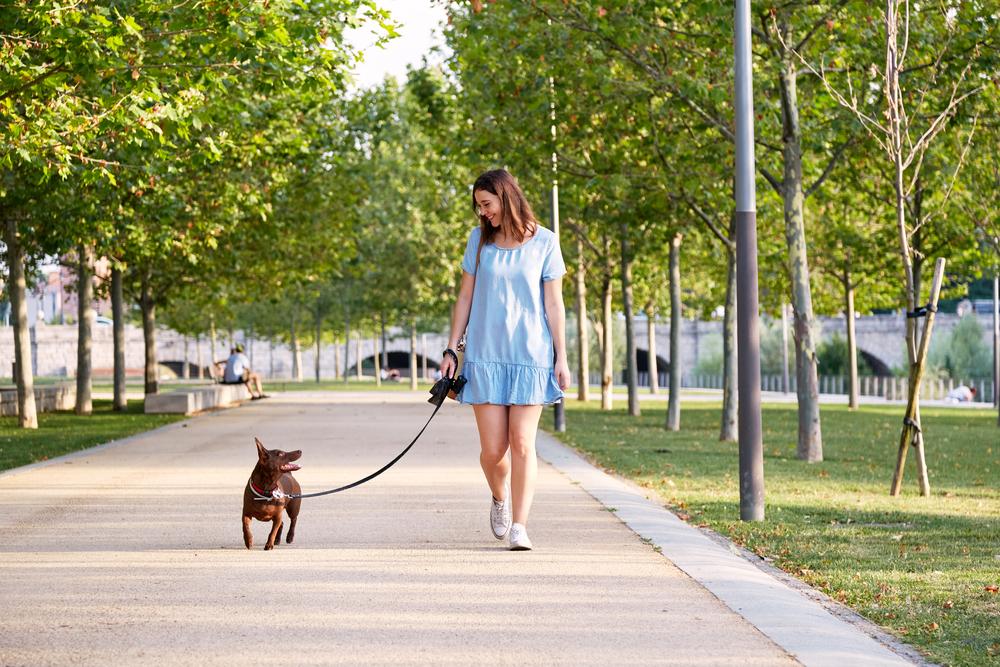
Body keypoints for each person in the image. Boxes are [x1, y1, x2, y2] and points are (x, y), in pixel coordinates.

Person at [440, 169, 570, 551]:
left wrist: (561, 357)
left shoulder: (545, 241)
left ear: (506, 196)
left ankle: (520, 525)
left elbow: (554, 303)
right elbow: (465, 298)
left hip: (530, 356)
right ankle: (499, 497)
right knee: (494, 451)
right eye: (478, 206)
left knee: (523, 443)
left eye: (486, 204)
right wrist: (451, 349)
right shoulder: (479, 242)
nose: (482, 213)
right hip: (485, 356)